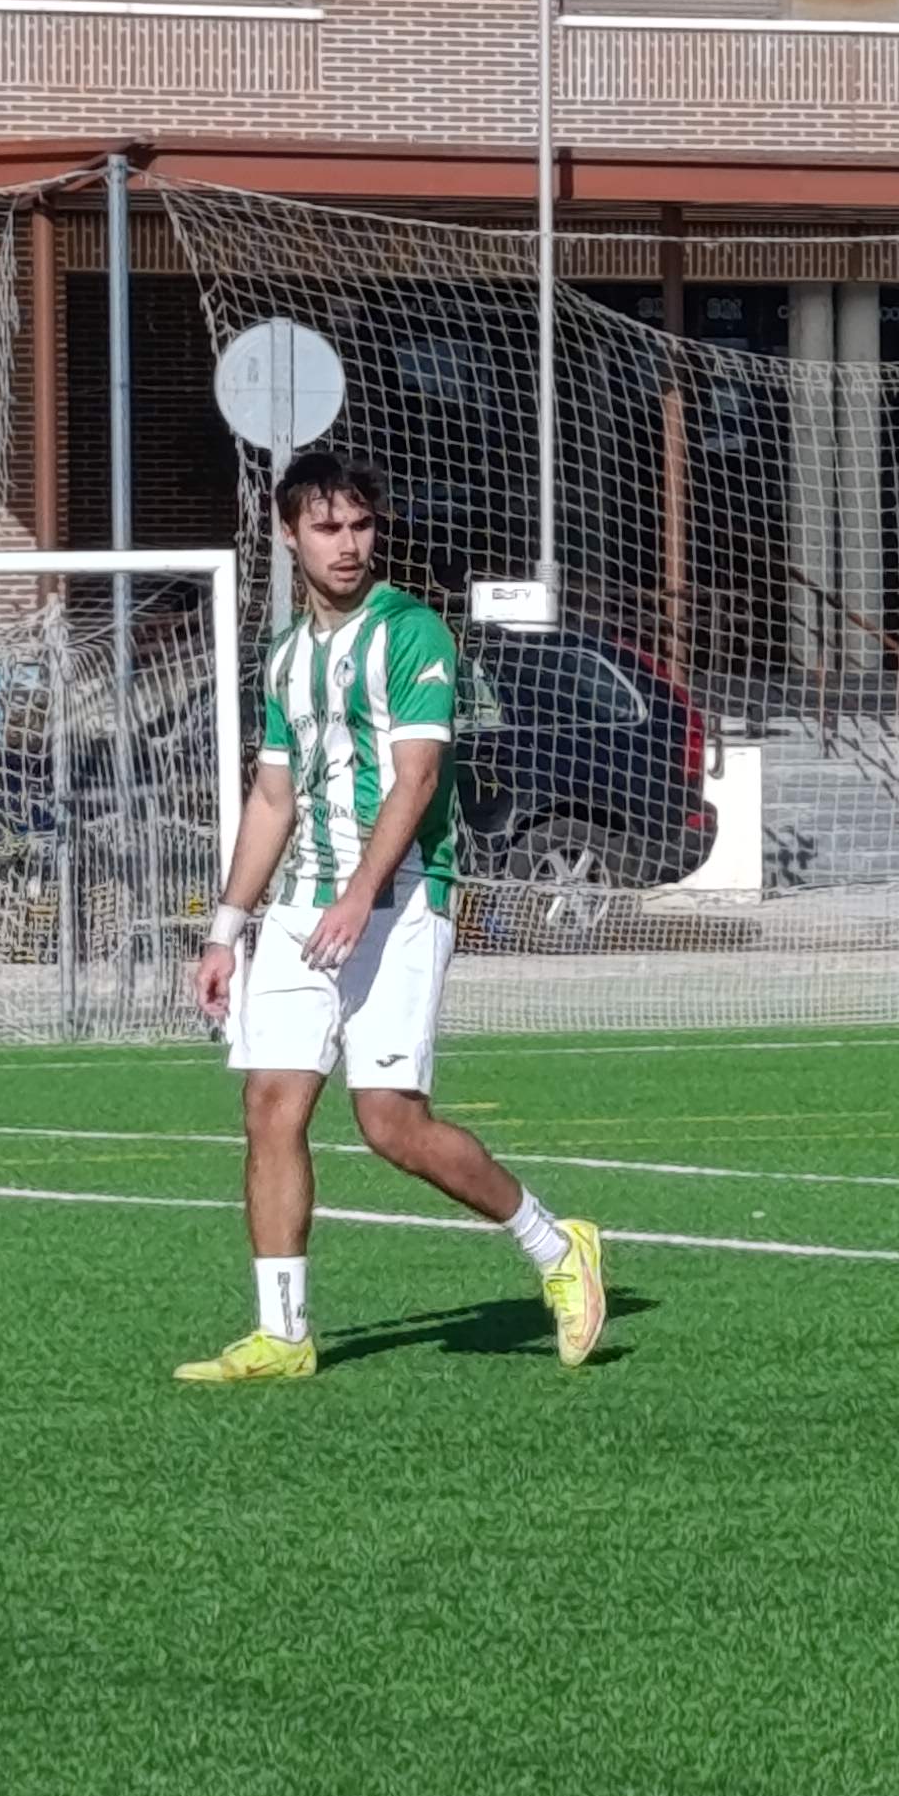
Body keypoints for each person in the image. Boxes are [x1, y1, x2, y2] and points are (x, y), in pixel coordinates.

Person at [179, 449, 609, 1385]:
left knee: (389, 1125)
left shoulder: (414, 635)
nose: (347, 544)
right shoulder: (286, 656)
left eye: (361, 525)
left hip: (402, 897)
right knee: (270, 1106)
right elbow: (272, 798)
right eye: (326, 527)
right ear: (288, 535)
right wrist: (225, 930)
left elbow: (416, 781)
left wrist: (360, 894)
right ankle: (283, 1334)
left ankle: (555, 1244)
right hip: (302, 907)